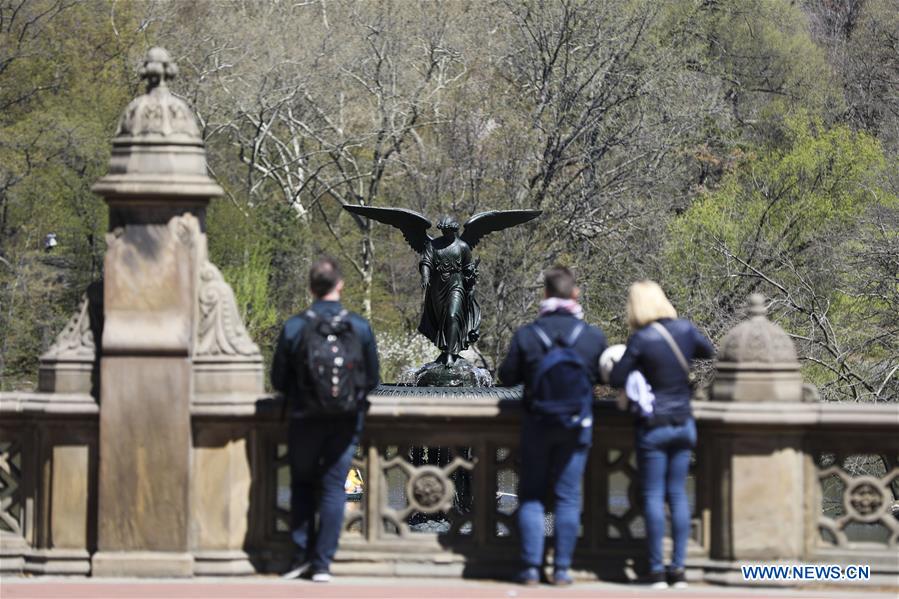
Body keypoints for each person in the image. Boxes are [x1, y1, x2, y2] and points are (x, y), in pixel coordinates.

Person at [271, 257, 380, 583]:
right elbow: (373, 378)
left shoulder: (295, 326)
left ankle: (302, 555)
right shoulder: (359, 327)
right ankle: (322, 564)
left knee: (302, 485)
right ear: (340, 286)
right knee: (334, 488)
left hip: (304, 417)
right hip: (346, 420)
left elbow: (278, 379)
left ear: (311, 288)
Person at [498, 265, 607, 586]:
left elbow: (507, 377)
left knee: (531, 496)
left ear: (544, 294)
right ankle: (561, 570)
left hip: (537, 425)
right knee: (568, 498)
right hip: (576, 426)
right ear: (575, 294)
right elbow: (603, 377)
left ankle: (531, 568)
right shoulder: (591, 337)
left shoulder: (528, 335)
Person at [608, 281, 714, 589]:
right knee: (678, 495)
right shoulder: (685, 330)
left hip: (653, 426)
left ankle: (656, 571)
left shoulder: (641, 339)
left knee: (654, 496)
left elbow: (616, 377)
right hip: (683, 422)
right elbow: (707, 351)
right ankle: (678, 570)